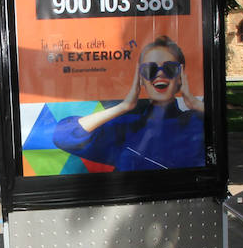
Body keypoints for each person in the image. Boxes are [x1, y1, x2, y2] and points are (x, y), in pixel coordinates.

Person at [51, 36, 205, 171]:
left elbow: (223, 132)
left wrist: (194, 103)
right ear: (140, 79)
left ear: (181, 76)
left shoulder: (197, 121)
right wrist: (123, 106)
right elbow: (64, 136)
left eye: (170, 68)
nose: (160, 73)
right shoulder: (127, 127)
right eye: (150, 69)